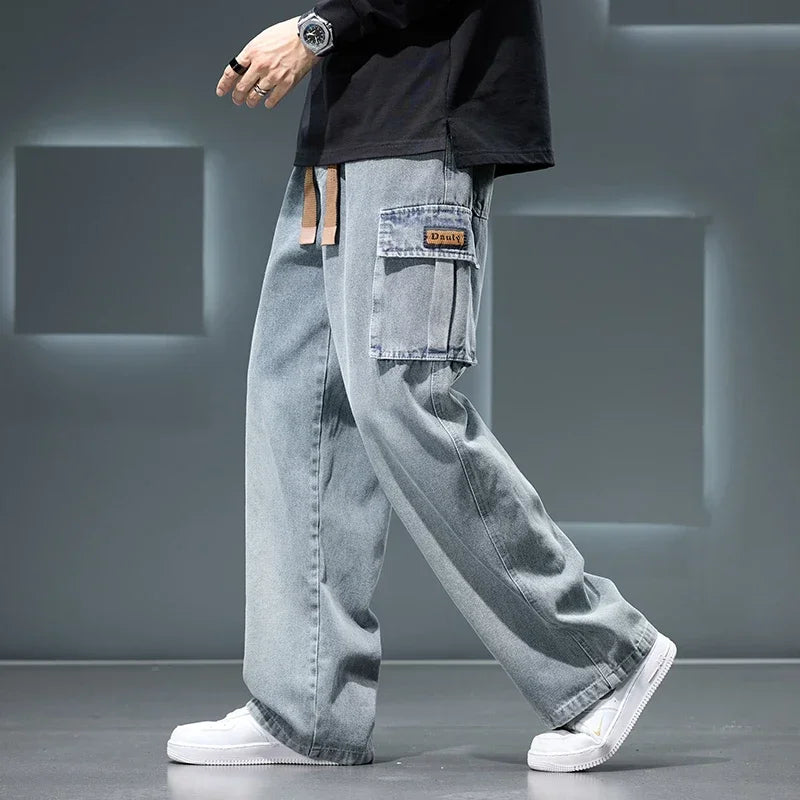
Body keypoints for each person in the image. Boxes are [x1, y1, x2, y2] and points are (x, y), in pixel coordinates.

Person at [166, 1, 676, 772]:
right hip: (344, 137)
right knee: (300, 407)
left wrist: (317, 28)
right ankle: (305, 708)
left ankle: (602, 656)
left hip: (419, 128)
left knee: (397, 399)